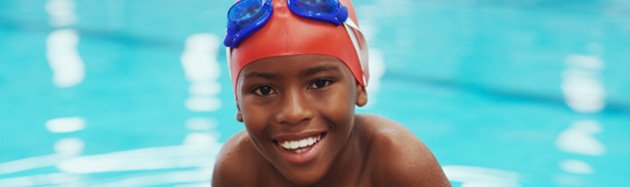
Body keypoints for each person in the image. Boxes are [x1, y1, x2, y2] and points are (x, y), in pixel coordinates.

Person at [212, 0, 451, 186]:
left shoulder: (398, 162)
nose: (294, 113)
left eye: (319, 83)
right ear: (238, 103)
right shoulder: (238, 169)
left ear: (359, 85)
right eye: (265, 90)